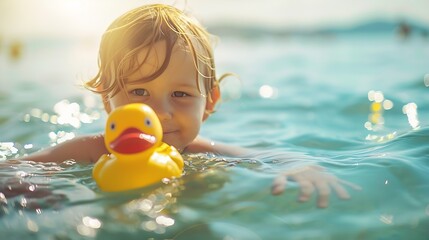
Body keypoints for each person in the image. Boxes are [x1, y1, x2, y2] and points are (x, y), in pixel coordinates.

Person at [13, 4, 359, 207]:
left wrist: (300, 165)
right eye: (138, 92)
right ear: (107, 99)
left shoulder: (200, 151)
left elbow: (270, 157)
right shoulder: (90, 151)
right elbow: (18, 168)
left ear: (209, 103)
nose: (161, 113)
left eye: (180, 95)